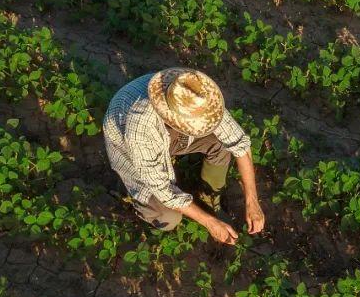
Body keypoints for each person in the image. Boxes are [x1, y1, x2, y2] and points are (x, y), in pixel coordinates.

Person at [102, 68, 264, 245]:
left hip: (167, 134)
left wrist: (252, 202)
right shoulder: (141, 125)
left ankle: (209, 198)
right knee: (168, 217)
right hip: (129, 149)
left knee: (221, 142)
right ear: (175, 119)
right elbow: (163, 190)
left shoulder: (197, 96)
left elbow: (240, 144)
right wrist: (210, 223)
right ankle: (136, 201)